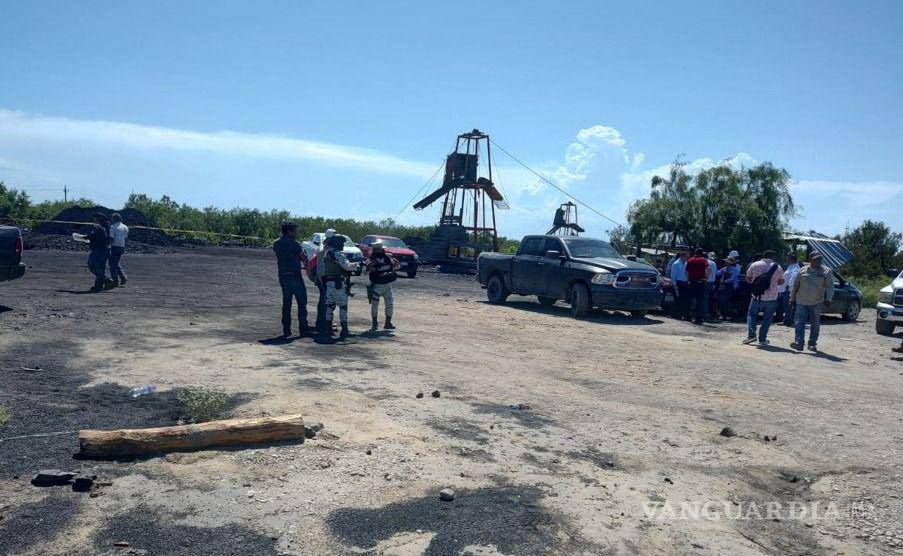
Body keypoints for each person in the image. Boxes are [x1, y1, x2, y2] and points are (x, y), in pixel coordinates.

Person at [789, 252, 834, 352]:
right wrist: (792, 299)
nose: (818, 261)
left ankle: (812, 343)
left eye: (819, 259)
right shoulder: (802, 271)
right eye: (815, 259)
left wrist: (828, 299)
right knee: (799, 323)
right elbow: (795, 285)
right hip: (801, 301)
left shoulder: (826, 271)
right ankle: (799, 343)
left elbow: (830, 286)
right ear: (810, 260)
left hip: (816, 302)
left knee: (815, 324)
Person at [272, 221, 309, 338]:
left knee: (287, 303)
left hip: (283, 275)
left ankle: (286, 330)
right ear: (290, 231)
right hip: (295, 275)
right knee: (302, 303)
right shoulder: (295, 244)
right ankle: (303, 329)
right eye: (295, 231)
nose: (297, 233)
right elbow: (303, 258)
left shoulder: (276, 243)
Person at [321, 233, 359, 340]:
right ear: (337, 243)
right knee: (342, 307)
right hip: (339, 284)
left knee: (329, 306)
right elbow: (346, 266)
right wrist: (357, 266)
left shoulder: (327, 253)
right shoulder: (337, 253)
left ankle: (328, 329)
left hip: (329, 283)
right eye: (341, 243)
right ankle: (344, 331)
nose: (342, 245)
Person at [743, 249, 785, 346]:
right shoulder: (778, 267)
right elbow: (781, 281)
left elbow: (748, 279)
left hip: (757, 296)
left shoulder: (754, 265)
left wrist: (756, 284)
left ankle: (751, 335)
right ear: (773, 257)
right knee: (767, 318)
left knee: (751, 315)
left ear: (763, 256)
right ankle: (762, 339)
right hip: (772, 297)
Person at [365, 240, 400, 331]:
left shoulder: (388, 258)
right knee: (375, 305)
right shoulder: (371, 259)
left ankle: (388, 322)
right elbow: (366, 270)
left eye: (380, 249)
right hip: (377, 285)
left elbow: (397, 267)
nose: (379, 251)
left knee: (390, 304)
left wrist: (396, 263)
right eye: (378, 249)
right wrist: (371, 265)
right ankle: (375, 323)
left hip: (387, 285)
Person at [74, 213, 113, 292]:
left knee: (92, 265)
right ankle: (99, 286)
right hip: (105, 250)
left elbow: (92, 235)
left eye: (95, 218)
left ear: (98, 219)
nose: (93, 219)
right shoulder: (107, 227)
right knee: (101, 268)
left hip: (98, 250)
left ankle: (106, 280)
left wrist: (82, 237)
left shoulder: (97, 226)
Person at [314, 228, 336, 333]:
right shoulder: (325, 251)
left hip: (322, 279)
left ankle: (322, 323)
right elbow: (321, 268)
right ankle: (324, 325)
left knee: (324, 301)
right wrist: (322, 281)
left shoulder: (323, 249)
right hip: (324, 279)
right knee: (326, 302)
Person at [685, 249, 711, 324]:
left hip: (692, 281)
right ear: (701, 253)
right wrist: (706, 278)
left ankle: (687, 316)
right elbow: (708, 268)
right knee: (699, 300)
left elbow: (686, 271)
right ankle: (698, 318)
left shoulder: (690, 260)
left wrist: (688, 280)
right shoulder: (703, 260)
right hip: (700, 282)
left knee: (689, 300)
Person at [108, 213, 129, 287]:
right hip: (122, 246)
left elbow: (111, 238)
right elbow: (125, 237)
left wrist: (109, 246)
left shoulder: (113, 227)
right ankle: (123, 277)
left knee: (112, 264)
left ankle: (115, 281)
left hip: (114, 246)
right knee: (116, 263)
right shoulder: (125, 227)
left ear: (115, 219)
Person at [716, 255, 741, 320]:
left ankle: (728, 315)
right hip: (724, 287)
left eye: (727, 262)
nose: (725, 263)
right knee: (722, 300)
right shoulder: (724, 268)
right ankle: (722, 314)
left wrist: (724, 281)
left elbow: (732, 279)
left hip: (732, 287)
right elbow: (718, 273)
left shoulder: (735, 269)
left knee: (729, 301)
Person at [781, 252, 801, 326]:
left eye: (787, 258)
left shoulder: (795, 268)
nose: (786, 260)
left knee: (789, 306)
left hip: (789, 290)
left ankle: (790, 321)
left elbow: (794, 278)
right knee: (787, 307)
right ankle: (786, 320)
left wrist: (788, 286)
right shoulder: (791, 267)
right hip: (785, 289)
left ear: (791, 259)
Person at [669, 252, 689, 319]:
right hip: (678, 283)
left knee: (683, 300)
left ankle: (680, 314)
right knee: (677, 299)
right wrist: (675, 286)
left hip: (684, 283)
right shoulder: (676, 264)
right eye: (686, 257)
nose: (687, 259)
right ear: (682, 256)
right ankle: (674, 314)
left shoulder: (686, 264)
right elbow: (673, 276)